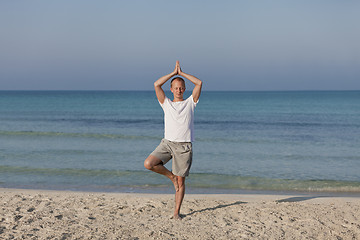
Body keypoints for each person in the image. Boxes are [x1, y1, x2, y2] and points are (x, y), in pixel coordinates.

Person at [144, 60, 202, 220]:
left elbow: (199, 82)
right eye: (176, 88)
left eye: (181, 87)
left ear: (184, 89)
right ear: (171, 89)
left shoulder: (191, 103)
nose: (179, 90)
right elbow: (156, 84)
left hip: (183, 147)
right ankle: (171, 177)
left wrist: (181, 73)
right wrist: (173, 73)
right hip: (167, 144)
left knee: (181, 183)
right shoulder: (166, 103)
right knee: (149, 164)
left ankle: (176, 213)